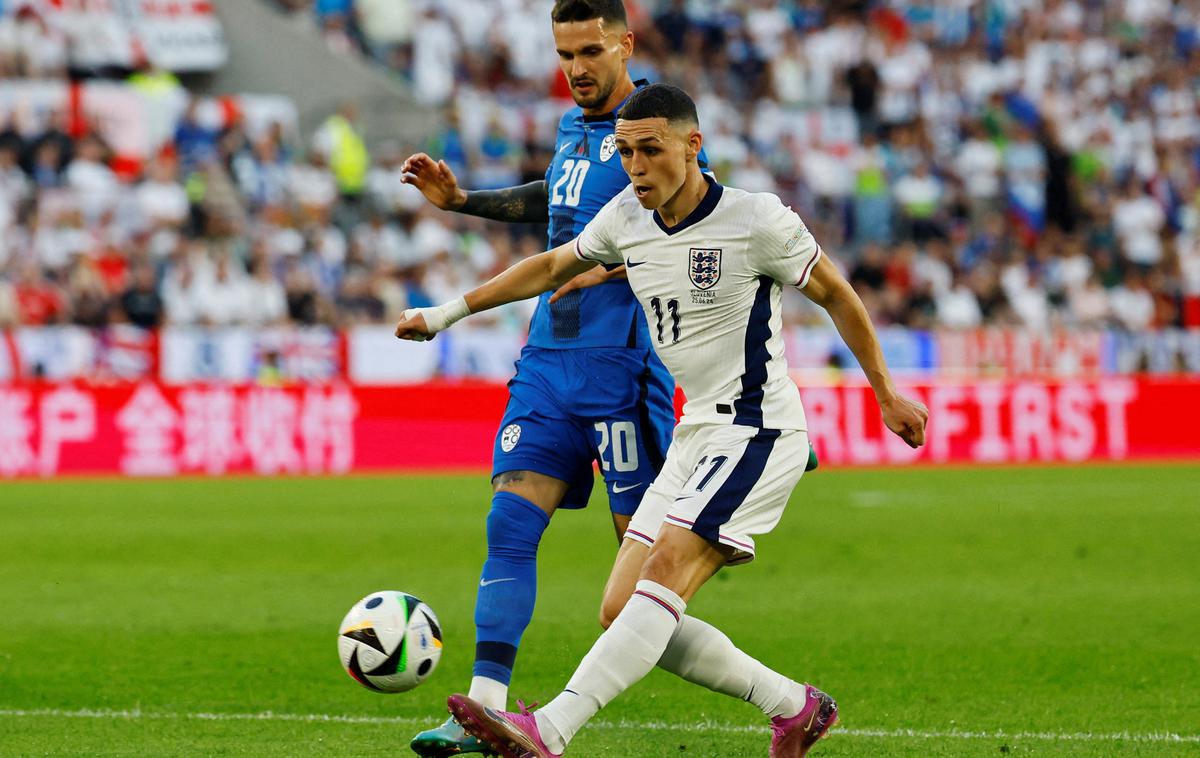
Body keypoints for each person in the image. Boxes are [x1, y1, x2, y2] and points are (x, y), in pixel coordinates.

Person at [395, 83, 928, 758]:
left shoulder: (757, 219)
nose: (636, 166)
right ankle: (794, 707)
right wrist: (445, 314)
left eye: (651, 150)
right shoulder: (628, 217)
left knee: (667, 568)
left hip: (758, 429)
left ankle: (549, 730)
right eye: (625, 152)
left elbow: (836, 293)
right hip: (696, 433)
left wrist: (886, 392)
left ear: (692, 146)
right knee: (621, 609)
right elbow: (555, 262)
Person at [399, 3, 708, 755]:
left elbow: (698, 226)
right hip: (547, 365)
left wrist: (611, 266)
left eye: (590, 50)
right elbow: (558, 198)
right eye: (564, 52)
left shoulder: (656, 130)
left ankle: (781, 697)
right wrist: (464, 200)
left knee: (641, 590)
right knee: (508, 524)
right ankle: (482, 709)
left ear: (625, 45)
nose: (576, 68)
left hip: (623, 374)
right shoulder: (574, 129)